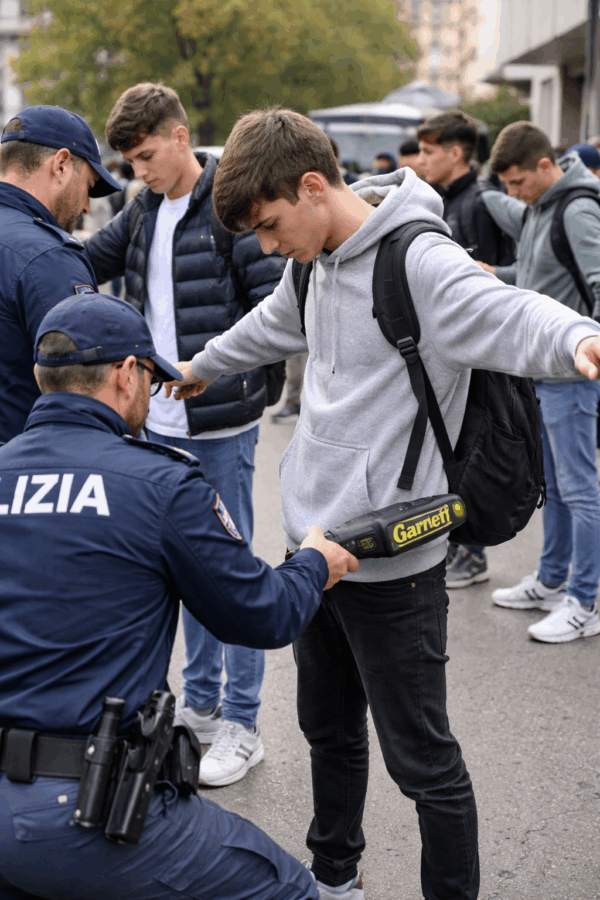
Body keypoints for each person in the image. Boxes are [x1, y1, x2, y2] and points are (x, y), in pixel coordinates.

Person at [163, 107, 600, 900]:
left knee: (423, 763)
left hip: (396, 563)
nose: (265, 247)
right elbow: (270, 326)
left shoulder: (419, 261)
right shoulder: (312, 262)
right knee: (328, 735)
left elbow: (512, 311)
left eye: (268, 225)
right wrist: (202, 365)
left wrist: (579, 340)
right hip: (315, 553)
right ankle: (336, 877)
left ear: (311, 185)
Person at [0, 291, 357, 900]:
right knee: (291, 890)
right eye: (149, 377)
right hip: (86, 808)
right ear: (126, 374)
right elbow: (261, 614)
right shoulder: (159, 482)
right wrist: (312, 566)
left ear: (42, 377)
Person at [84, 82, 286, 788]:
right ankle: (200, 707)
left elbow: (273, 311)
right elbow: (83, 260)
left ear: (178, 136)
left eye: (145, 156)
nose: (139, 171)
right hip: (154, 425)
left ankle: (244, 721)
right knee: (180, 569)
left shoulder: (227, 211)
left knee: (230, 568)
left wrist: (225, 375)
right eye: (131, 161)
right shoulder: (142, 209)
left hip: (220, 423)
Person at [472, 122, 600, 644]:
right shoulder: (544, 207)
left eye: (520, 181)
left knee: (580, 490)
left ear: (547, 166)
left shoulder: (577, 208)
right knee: (559, 491)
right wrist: (495, 275)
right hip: (544, 374)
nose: (513, 194)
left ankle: (586, 601)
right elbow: (539, 280)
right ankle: (552, 582)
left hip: (572, 374)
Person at [417, 110, 516, 589]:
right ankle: (459, 543)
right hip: (454, 349)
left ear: (456, 153)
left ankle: (472, 551)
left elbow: (488, 276)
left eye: (429, 152)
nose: (421, 161)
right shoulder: (445, 199)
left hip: (477, 351)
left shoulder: (478, 202)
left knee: (472, 449)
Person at [0, 104, 122, 444]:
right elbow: (87, 394)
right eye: (89, 185)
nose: (86, 206)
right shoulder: (49, 258)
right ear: (62, 164)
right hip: (24, 473)